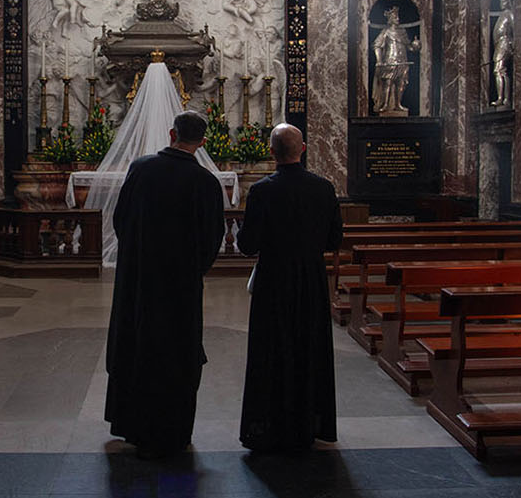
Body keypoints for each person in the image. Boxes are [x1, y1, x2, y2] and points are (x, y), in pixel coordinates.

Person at [106, 109, 226, 458]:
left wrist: (137, 258)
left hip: (139, 281)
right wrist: (192, 270)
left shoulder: (141, 169)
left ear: (172, 135)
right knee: (178, 351)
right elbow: (212, 237)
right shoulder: (206, 182)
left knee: (136, 342)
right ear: (202, 142)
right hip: (181, 287)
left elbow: (121, 221)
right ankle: (173, 429)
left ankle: (131, 424)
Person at [236, 123, 343, 451]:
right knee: (308, 347)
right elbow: (334, 240)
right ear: (304, 149)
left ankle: (269, 426)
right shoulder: (324, 188)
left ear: (271, 152)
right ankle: (308, 423)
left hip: (273, 280)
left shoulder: (262, 191)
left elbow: (248, 244)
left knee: (272, 350)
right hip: (310, 279)